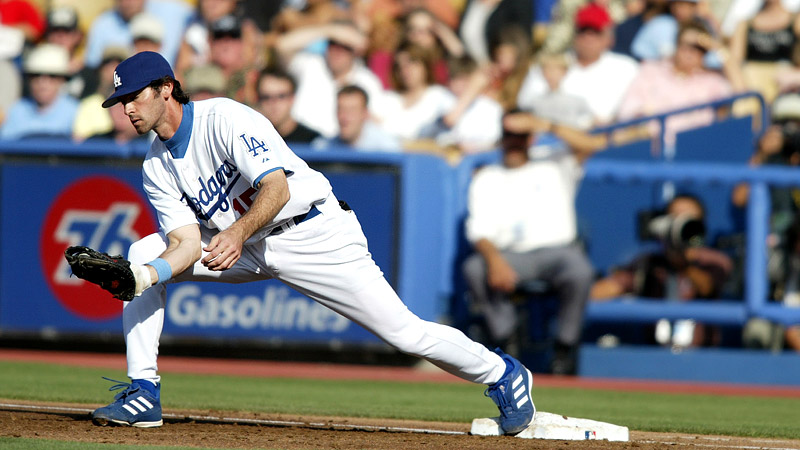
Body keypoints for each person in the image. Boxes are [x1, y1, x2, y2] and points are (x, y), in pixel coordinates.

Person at [86, 51, 536, 435]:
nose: (125, 108)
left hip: (312, 232)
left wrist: (237, 233)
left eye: (133, 96)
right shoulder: (156, 166)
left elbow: (276, 189)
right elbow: (184, 243)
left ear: (166, 88)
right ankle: (143, 392)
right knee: (145, 252)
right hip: (245, 245)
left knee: (404, 332)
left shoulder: (223, 118)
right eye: (120, 100)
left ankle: (503, 374)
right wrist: (144, 277)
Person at [462, 111, 602, 375]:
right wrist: (495, 262)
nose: (514, 141)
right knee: (475, 267)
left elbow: (592, 145)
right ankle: (507, 341)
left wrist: (543, 123)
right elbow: (479, 231)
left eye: (520, 135)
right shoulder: (487, 176)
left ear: (531, 138)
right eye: (509, 135)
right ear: (501, 138)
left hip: (557, 253)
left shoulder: (553, 161)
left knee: (580, 270)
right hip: (509, 255)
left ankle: (564, 347)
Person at [590, 194, 733, 347]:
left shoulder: (715, 262)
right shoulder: (649, 263)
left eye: (689, 219)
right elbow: (605, 290)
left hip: (704, 357)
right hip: (654, 356)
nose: (681, 226)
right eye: (675, 218)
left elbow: (706, 287)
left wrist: (684, 262)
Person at [517, 2, 639, 126]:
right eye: (583, 30)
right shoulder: (552, 63)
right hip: (552, 140)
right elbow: (524, 104)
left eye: (596, 31)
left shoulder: (626, 68)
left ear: (609, 38)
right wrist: (552, 91)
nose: (588, 37)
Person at [275, 21, 386, 138]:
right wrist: (329, 31)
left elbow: (378, 122)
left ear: (355, 50)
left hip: (342, 149)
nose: (337, 51)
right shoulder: (311, 65)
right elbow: (281, 46)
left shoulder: (367, 80)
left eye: (345, 46)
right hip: (303, 142)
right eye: (333, 43)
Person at [0, 43, 78, 140]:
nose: (42, 83)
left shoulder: (75, 112)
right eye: (35, 76)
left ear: (62, 80)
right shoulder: (17, 110)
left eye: (51, 76)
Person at [83, 0, 192, 69]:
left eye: (149, 43)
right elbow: (92, 66)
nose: (127, 3)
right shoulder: (103, 23)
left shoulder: (174, 11)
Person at [313, 85, 401, 152]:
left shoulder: (386, 149)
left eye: (352, 110)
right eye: (341, 109)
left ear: (365, 114)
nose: (345, 117)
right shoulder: (323, 147)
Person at [255, 67, 323, 144]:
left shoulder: (313, 142)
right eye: (266, 97)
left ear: (292, 99)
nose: (273, 103)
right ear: (258, 100)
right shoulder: (252, 141)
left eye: (281, 96)